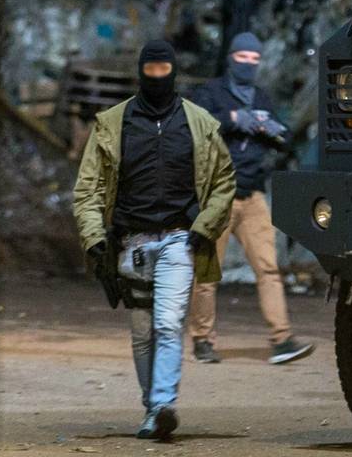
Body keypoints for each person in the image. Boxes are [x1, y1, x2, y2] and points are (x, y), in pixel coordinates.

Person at [74, 40, 235, 440]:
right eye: (152, 70)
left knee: (167, 325)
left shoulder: (199, 124)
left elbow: (223, 181)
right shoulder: (113, 124)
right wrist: (94, 236)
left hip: (180, 241)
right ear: (141, 72)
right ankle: (152, 411)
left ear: (174, 72)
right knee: (143, 332)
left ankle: (163, 403)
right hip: (131, 243)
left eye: (165, 70)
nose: (158, 77)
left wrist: (204, 228)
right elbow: (88, 188)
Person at [188, 32, 315, 365]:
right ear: (231, 58)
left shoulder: (261, 96)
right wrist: (233, 119)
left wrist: (271, 129)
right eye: (242, 57)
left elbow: (284, 138)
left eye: (254, 59)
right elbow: (195, 123)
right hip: (217, 193)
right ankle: (202, 339)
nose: (248, 64)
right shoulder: (211, 93)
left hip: (252, 194)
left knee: (269, 269)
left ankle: (282, 339)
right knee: (206, 272)